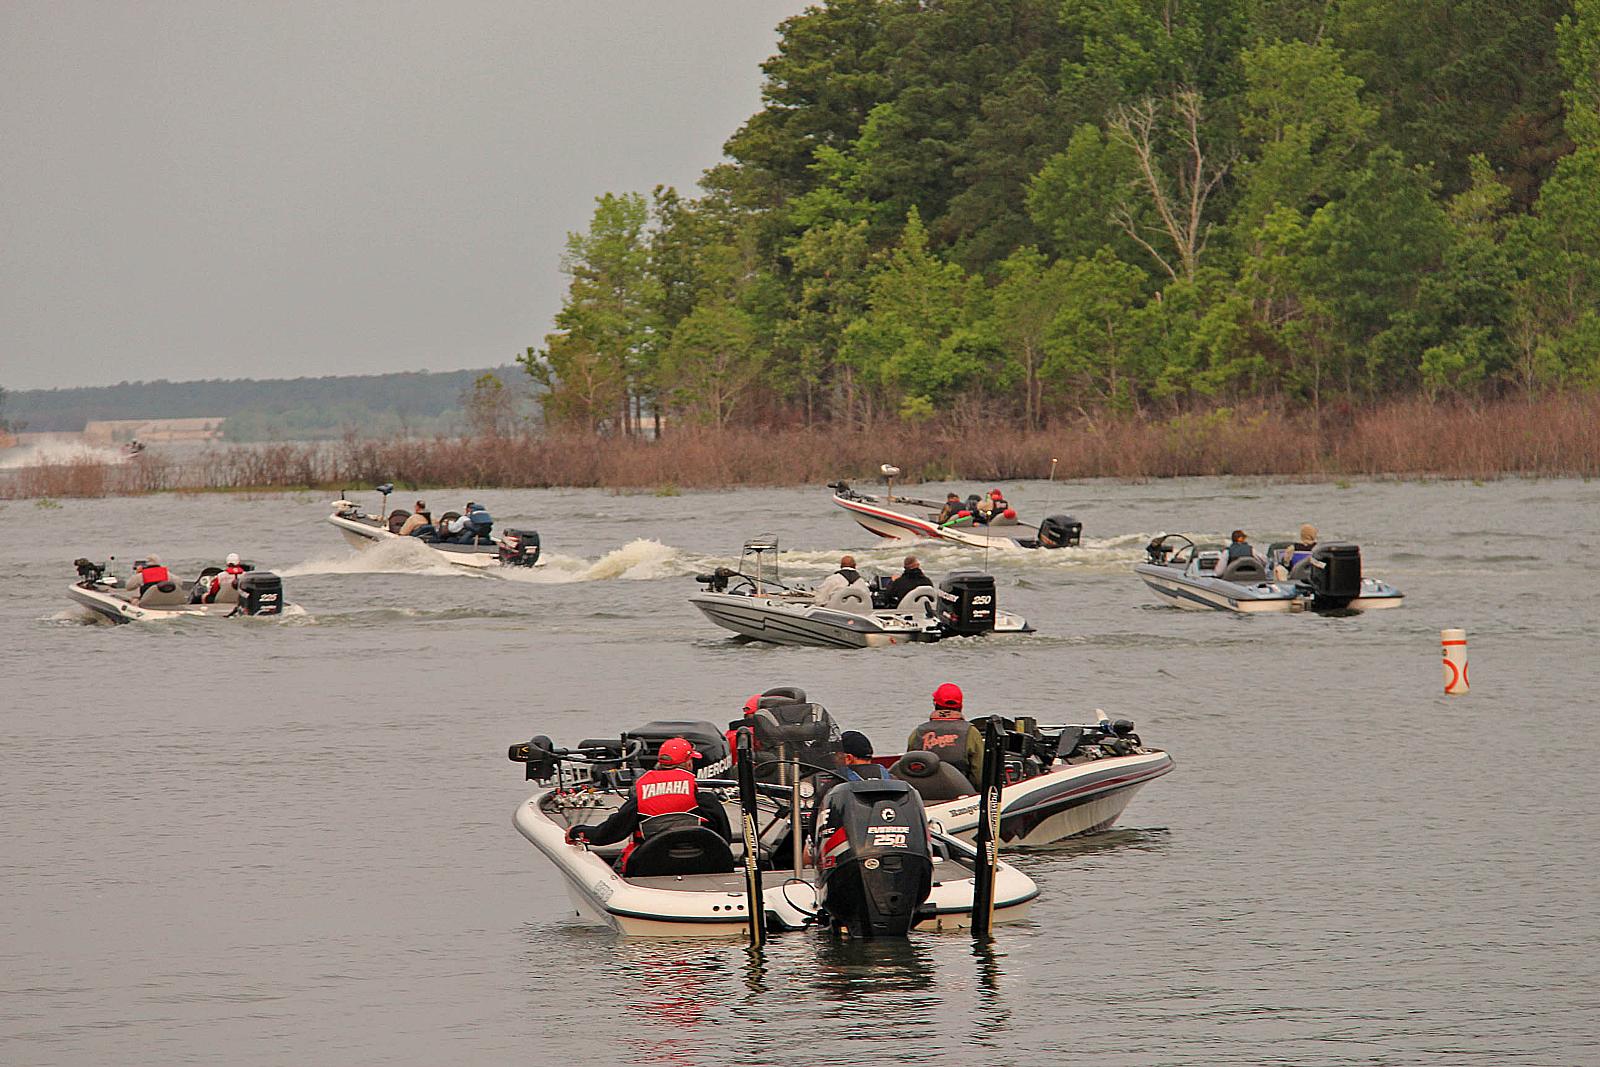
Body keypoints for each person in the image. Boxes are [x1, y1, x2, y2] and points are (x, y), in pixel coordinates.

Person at [564, 737, 732, 873]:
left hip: (651, 867)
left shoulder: (641, 798)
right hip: (704, 867)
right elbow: (725, 837)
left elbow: (607, 835)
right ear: (689, 764)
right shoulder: (704, 799)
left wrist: (578, 831)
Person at [904, 683, 984, 786]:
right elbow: (979, 776)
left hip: (922, 794)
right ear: (961, 706)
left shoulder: (917, 732)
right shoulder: (971, 732)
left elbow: (908, 768)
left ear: (935, 704)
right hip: (961, 793)